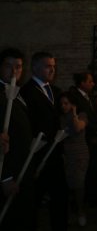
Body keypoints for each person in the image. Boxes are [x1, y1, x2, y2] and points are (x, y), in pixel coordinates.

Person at [19, 51, 68, 231]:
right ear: (35, 67)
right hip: (37, 154)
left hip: (54, 154)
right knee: (34, 200)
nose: (52, 70)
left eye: (54, 66)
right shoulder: (26, 92)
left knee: (60, 197)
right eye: (48, 66)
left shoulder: (55, 91)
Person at [0, 48, 35, 231]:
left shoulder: (18, 92)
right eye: (9, 66)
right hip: (8, 170)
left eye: (19, 67)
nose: (14, 71)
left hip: (22, 166)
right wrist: (5, 178)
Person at [69, 72, 97, 207]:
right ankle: (80, 201)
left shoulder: (88, 97)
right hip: (84, 139)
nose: (92, 84)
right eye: (90, 81)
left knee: (93, 169)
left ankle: (92, 197)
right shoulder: (76, 98)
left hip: (93, 139)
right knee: (83, 171)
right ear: (82, 83)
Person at [59, 92, 89, 227]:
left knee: (78, 184)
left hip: (80, 154)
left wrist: (75, 113)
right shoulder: (61, 118)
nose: (63, 106)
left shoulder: (81, 115)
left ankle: (81, 212)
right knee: (69, 184)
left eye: (66, 103)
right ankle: (73, 213)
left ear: (72, 104)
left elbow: (77, 127)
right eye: (62, 104)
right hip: (67, 154)